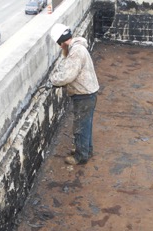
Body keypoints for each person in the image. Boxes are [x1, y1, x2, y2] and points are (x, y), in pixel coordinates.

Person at [48, 23, 99, 165]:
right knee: (86, 124)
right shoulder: (77, 48)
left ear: (62, 42)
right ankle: (85, 150)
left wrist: (52, 81)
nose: (60, 47)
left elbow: (67, 76)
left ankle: (81, 156)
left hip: (84, 95)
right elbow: (68, 68)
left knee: (80, 126)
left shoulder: (76, 52)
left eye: (59, 44)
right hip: (88, 93)